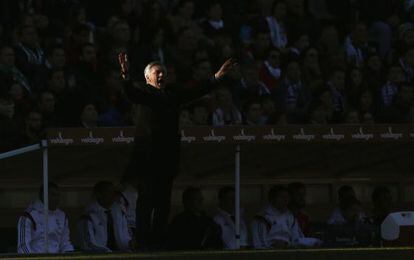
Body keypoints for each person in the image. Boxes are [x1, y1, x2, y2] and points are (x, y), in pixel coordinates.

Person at [118, 53, 237, 248]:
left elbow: (197, 91)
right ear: (148, 77)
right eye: (158, 72)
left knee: (163, 202)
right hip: (148, 159)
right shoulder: (144, 92)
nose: (162, 75)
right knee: (146, 200)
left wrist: (216, 76)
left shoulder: (172, 95)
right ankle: (143, 240)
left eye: (164, 72)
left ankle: (156, 242)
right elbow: (130, 92)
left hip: (168, 158)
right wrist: (126, 75)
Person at [251, 185, 320, 249]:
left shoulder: (290, 216)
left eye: (287, 197)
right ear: (272, 199)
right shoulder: (262, 218)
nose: (285, 200)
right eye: (281, 197)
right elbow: (259, 245)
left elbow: (297, 239)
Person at [77, 181, 135, 252]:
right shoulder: (88, 215)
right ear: (99, 194)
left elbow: (125, 237)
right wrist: (108, 253)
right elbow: (87, 244)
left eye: (114, 191)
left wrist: (129, 243)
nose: (113, 195)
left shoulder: (119, 212)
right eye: (109, 191)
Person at [17, 182, 74, 254]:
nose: (56, 198)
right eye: (53, 195)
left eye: (58, 195)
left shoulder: (62, 216)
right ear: (43, 195)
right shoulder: (28, 216)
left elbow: (65, 243)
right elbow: (23, 247)